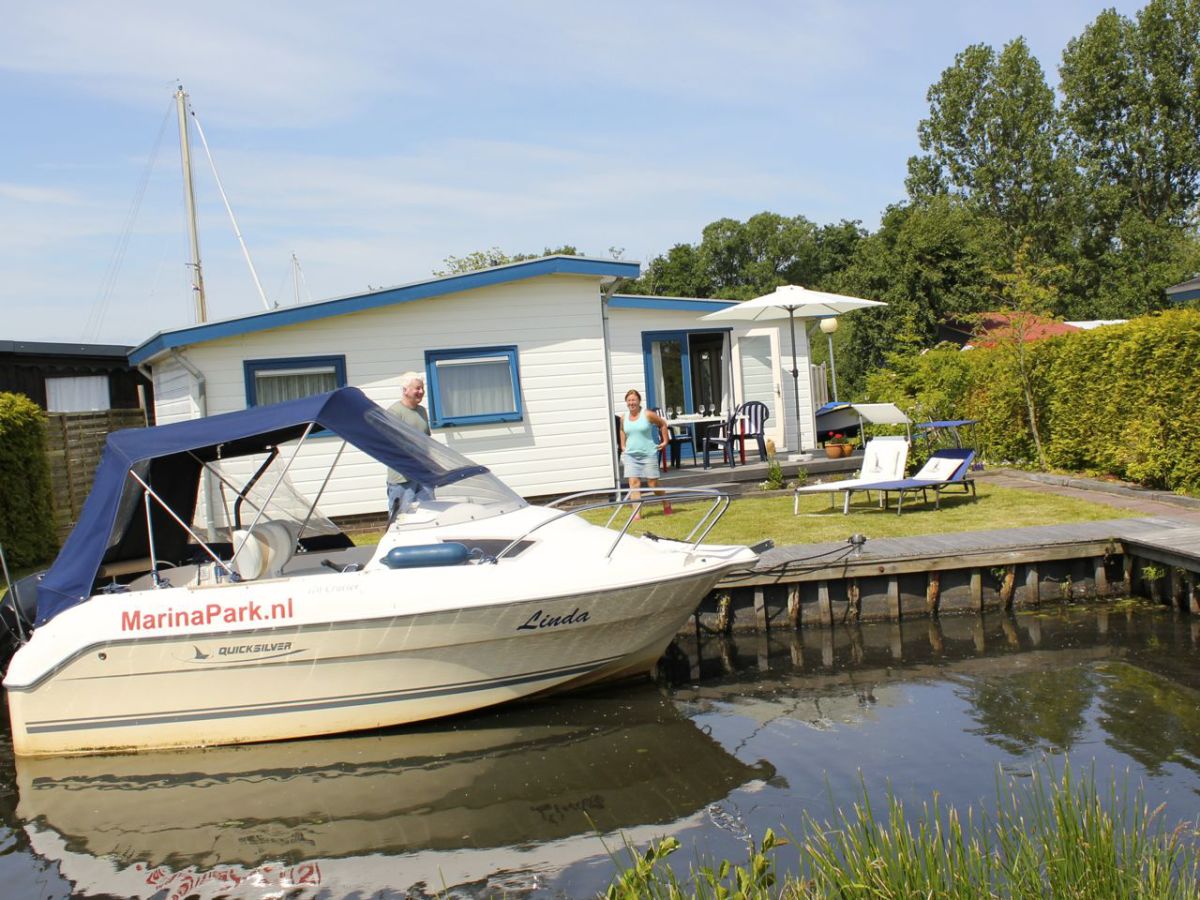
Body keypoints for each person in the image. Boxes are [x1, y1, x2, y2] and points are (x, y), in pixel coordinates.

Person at [619, 389, 671, 519]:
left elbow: (662, 424)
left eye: (634, 400)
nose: (632, 403)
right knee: (634, 483)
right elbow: (622, 430)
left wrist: (665, 441)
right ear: (626, 402)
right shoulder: (623, 417)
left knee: (652, 484)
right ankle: (636, 514)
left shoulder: (647, 414)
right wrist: (623, 445)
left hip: (648, 454)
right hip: (631, 455)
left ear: (639, 401)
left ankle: (666, 501)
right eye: (629, 400)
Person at [386, 372, 432, 519]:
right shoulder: (394, 412)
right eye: (417, 388)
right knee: (401, 519)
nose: (421, 392)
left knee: (427, 515)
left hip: (423, 475)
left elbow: (426, 441)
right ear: (405, 390)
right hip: (402, 478)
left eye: (422, 388)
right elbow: (391, 443)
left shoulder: (422, 411)